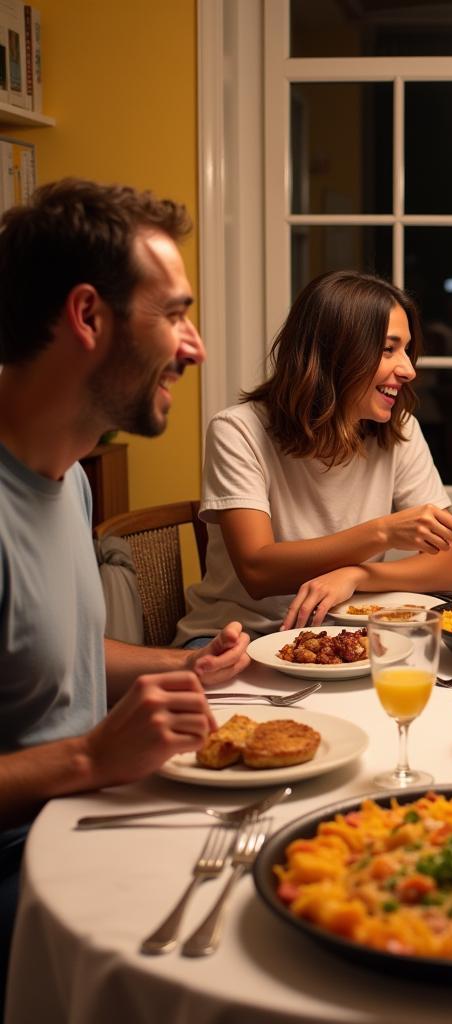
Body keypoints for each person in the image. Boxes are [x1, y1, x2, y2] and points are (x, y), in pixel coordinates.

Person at [0, 179, 251, 1006]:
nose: (195, 344)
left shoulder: (68, 476)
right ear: (88, 316)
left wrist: (180, 666)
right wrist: (88, 756)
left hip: (92, 816)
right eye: (174, 313)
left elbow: (50, 655)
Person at [174, 271, 452, 643]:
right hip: (235, 636)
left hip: (344, 635)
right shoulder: (238, 430)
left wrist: (357, 576)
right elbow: (257, 572)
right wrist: (383, 532)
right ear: (336, 351)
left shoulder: (399, 430)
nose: (409, 369)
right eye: (388, 349)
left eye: (407, 350)